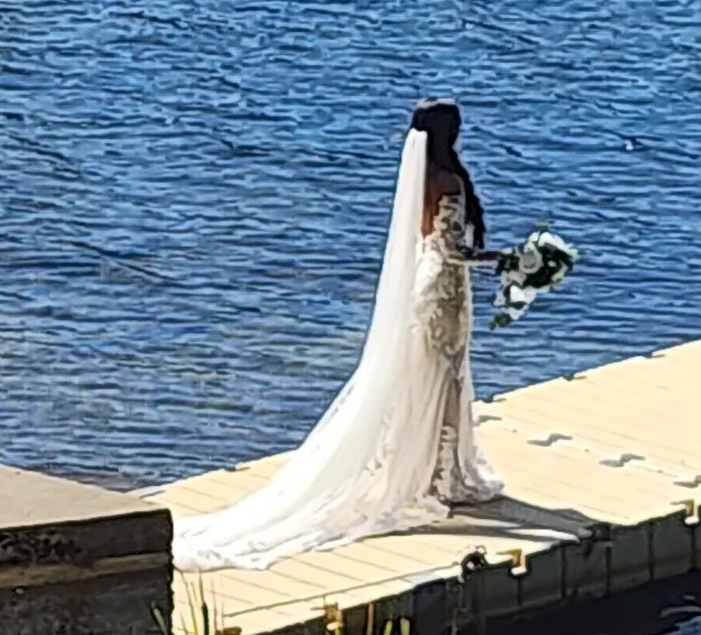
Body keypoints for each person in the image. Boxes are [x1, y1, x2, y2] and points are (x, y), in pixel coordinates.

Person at [177, 99, 505, 572]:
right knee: (445, 378)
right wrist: (504, 259)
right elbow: (452, 249)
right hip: (446, 289)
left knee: (425, 377)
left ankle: (430, 470)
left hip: (423, 281)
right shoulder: (449, 181)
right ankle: (442, 476)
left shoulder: (417, 178)